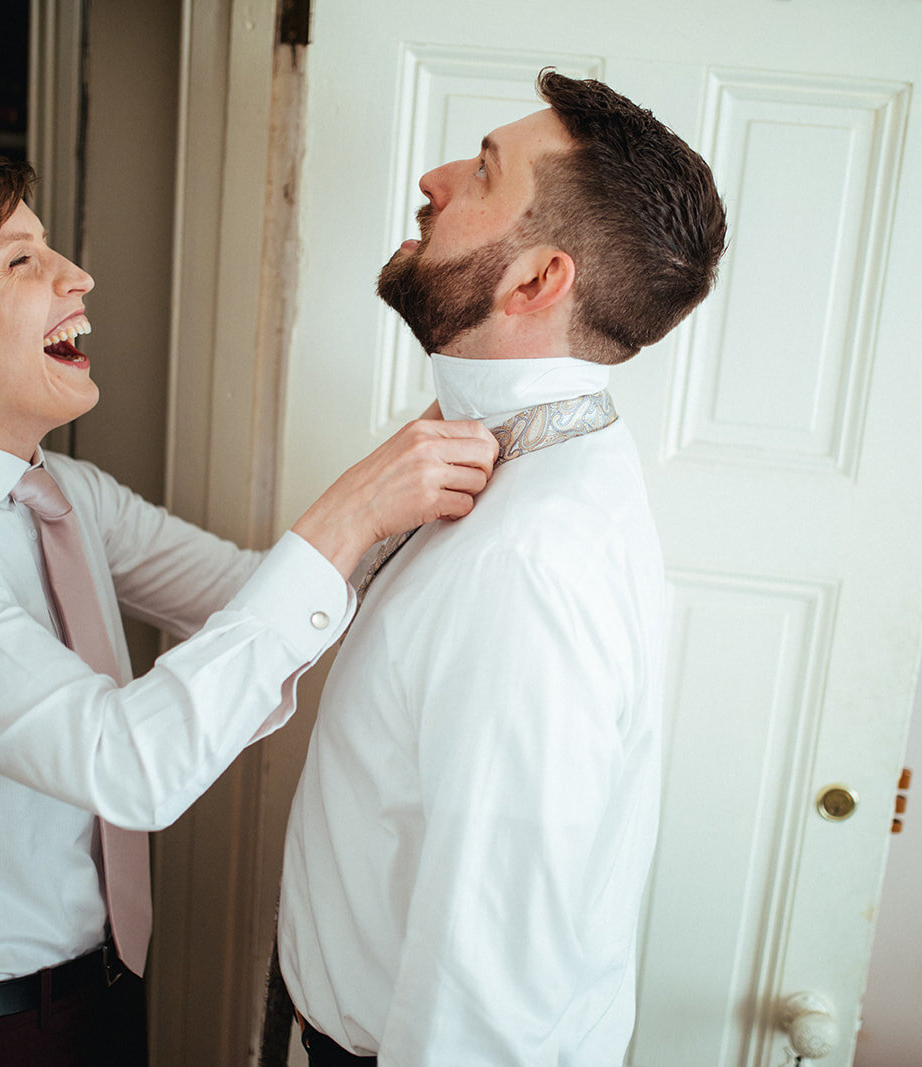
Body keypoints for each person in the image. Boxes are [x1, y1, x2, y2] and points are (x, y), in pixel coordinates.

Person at [0, 149, 498, 1065]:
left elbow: (261, 596)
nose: (76, 276)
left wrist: (448, 520)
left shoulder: (68, 494)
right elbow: (131, 763)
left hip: (106, 992)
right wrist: (355, 506)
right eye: (20, 261)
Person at [272, 71, 727, 1065]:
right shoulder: (525, 463)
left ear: (534, 282)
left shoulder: (528, 558)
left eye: (480, 171)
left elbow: (491, 970)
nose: (431, 180)